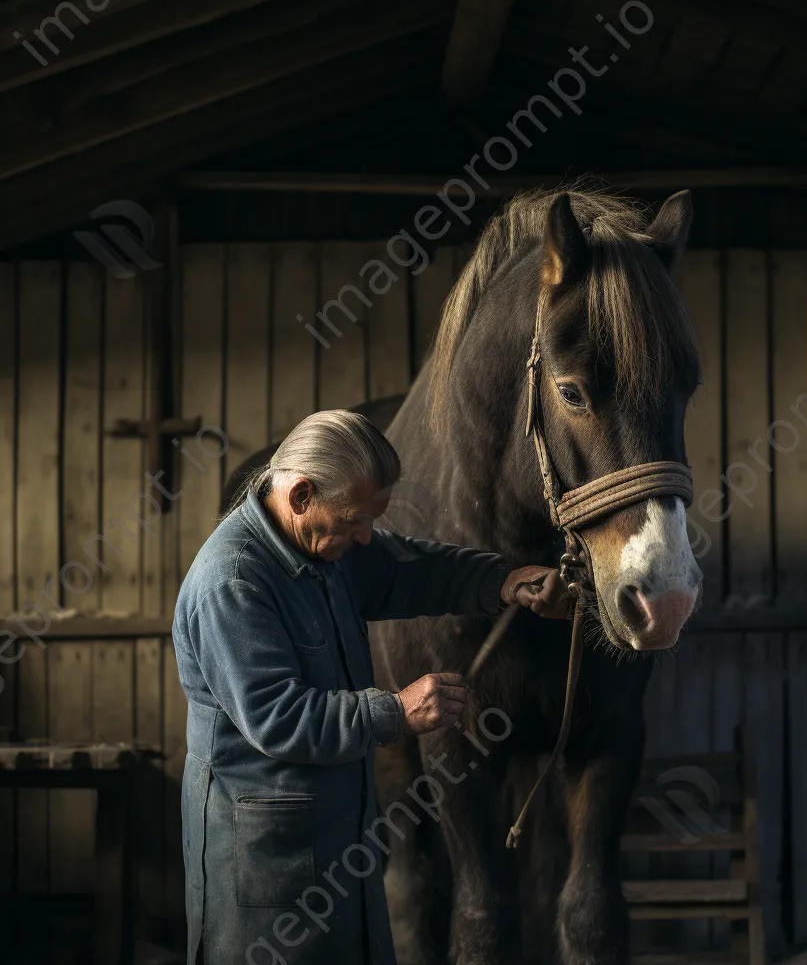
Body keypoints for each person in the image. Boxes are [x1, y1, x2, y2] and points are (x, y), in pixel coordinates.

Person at [171, 409, 572, 965]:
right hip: (265, 861)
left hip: (338, 837)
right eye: (356, 520)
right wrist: (396, 711)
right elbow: (278, 718)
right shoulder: (233, 581)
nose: (365, 537)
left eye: (372, 521)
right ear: (302, 494)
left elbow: (414, 570)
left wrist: (505, 581)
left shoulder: (325, 545)